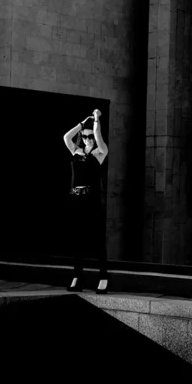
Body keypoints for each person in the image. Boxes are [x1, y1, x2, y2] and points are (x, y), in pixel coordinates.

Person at [63, 108, 109, 294]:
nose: (89, 139)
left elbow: (98, 137)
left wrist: (96, 119)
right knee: (77, 239)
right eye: (85, 137)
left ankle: (103, 277)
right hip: (75, 199)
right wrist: (82, 124)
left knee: (97, 239)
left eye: (90, 137)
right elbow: (66, 137)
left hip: (91, 200)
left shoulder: (100, 152)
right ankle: (77, 277)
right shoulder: (76, 151)